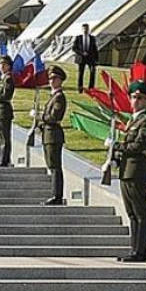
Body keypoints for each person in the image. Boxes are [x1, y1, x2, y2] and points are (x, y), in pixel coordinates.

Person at [108, 81, 146, 262]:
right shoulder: (133, 121)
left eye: (140, 98)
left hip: (137, 170)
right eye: (134, 97)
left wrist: (117, 145)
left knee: (140, 213)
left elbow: (139, 145)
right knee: (131, 213)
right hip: (126, 170)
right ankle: (134, 249)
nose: (136, 101)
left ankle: (140, 252)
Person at [35, 67, 67, 205]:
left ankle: (57, 196)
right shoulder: (53, 96)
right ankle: (55, 194)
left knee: (55, 166)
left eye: (55, 78)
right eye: (50, 79)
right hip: (48, 134)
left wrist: (40, 116)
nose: (52, 81)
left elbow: (54, 117)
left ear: (60, 80)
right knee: (51, 165)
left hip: (53, 135)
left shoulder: (59, 97)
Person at [0, 55, 16, 167]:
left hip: (4, 110)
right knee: (2, 136)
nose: (1, 66)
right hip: (0, 110)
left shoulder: (8, 78)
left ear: (9, 66)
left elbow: (6, 95)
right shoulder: (3, 78)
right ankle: (4, 158)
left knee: (5, 137)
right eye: (0, 64)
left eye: (4, 65)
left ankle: (5, 160)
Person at [73, 23, 98, 93]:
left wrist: (96, 59)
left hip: (90, 58)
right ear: (82, 29)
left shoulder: (92, 38)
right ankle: (80, 88)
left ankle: (91, 88)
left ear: (88, 29)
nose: (85, 30)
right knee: (81, 73)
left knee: (93, 72)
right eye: (84, 29)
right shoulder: (78, 38)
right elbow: (74, 48)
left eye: (86, 29)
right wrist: (82, 53)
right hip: (81, 58)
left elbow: (95, 49)